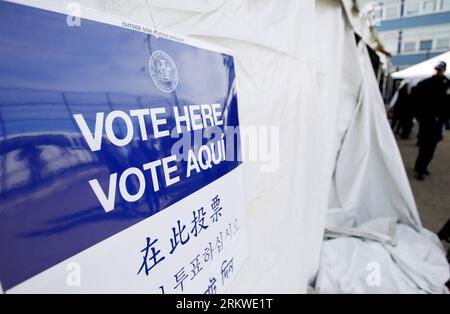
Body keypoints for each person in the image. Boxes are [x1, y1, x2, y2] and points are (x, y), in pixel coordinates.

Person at [413, 61, 450, 181]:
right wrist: (419, 116)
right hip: (427, 120)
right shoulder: (426, 83)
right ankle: (420, 168)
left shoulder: (447, 84)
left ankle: (423, 166)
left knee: (431, 145)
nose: (438, 71)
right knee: (424, 145)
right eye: (437, 69)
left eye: (440, 69)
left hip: (438, 122)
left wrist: (444, 119)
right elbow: (416, 99)